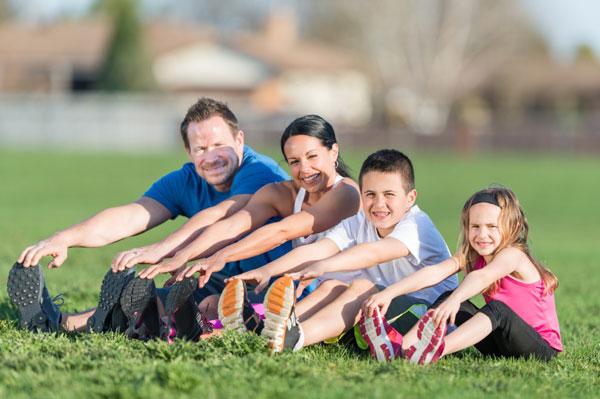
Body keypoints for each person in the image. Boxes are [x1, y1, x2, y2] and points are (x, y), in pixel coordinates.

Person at [8, 97, 290, 334]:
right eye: (201, 149)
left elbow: (223, 217)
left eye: (219, 145)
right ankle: (57, 323)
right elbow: (132, 215)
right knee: (146, 300)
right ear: (188, 152)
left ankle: (171, 322)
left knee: (207, 304)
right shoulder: (186, 180)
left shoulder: (260, 173)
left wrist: (162, 250)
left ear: (239, 140)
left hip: (274, 281)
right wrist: (63, 239)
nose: (211, 157)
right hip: (219, 276)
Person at [118, 114, 362, 334]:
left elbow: (281, 231)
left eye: (312, 157)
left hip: (345, 297)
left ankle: (215, 328)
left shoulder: (346, 193)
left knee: (255, 309)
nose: (304, 169)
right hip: (303, 288)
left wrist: (221, 256)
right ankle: (170, 325)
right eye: (294, 161)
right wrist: (183, 255)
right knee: (212, 304)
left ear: (333, 152)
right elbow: (233, 224)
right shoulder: (284, 193)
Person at [227, 149, 457, 353]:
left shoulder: (418, 225)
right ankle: (269, 328)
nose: (378, 204)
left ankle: (294, 337)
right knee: (332, 286)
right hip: (384, 310)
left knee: (362, 287)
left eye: (389, 195)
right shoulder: (360, 221)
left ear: (410, 198)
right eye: (370, 194)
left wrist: (323, 265)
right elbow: (319, 250)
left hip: (431, 319)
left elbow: (375, 252)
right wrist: (267, 270)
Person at [359, 187, 562, 364]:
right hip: (500, 346)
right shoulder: (474, 255)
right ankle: (403, 348)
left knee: (498, 309)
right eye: (475, 227)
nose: (482, 235)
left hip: (539, 348)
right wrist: (390, 293)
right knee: (448, 296)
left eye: (492, 227)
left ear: (513, 227)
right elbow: (434, 273)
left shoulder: (513, 255)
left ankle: (434, 350)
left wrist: (456, 300)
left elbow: (482, 277)